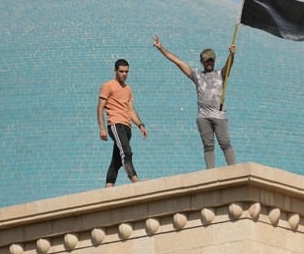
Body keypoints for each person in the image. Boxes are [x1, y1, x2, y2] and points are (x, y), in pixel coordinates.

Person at [153, 35, 236, 169]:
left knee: (225, 143)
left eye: (211, 61)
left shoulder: (220, 74)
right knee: (208, 146)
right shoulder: (197, 75)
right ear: (201, 61)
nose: (209, 63)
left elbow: (228, 66)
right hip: (203, 116)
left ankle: (234, 170)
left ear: (214, 61)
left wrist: (231, 55)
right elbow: (177, 61)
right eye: (206, 61)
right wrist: (161, 48)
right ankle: (211, 173)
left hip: (219, 115)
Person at [97, 58, 148, 187]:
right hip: (115, 124)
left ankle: (108, 188)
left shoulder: (128, 89)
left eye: (126, 72)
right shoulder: (108, 85)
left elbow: (130, 110)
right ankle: (137, 183)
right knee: (126, 153)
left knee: (117, 161)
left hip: (127, 127)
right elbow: (100, 108)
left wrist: (140, 125)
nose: (124, 74)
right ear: (115, 71)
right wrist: (102, 128)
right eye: (121, 71)